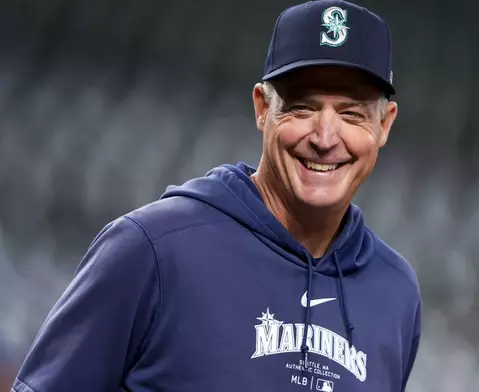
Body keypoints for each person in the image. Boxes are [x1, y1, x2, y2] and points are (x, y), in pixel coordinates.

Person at [11, 0, 422, 391]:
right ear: (263, 108)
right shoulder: (151, 249)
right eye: (301, 108)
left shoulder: (395, 293)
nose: (325, 137)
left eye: (351, 114)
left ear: (384, 125)